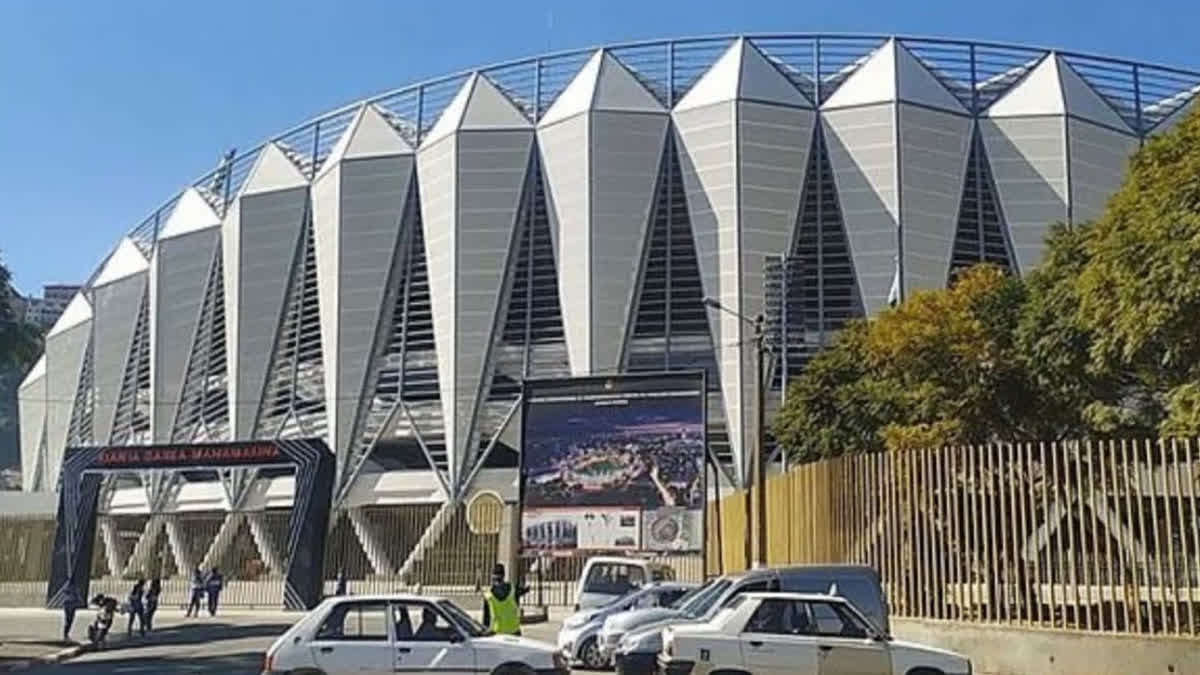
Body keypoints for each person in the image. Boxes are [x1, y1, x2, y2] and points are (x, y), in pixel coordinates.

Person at [481, 563, 526, 636]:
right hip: (514, 631)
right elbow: (522, 590)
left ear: (492, 576)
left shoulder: (488, 595)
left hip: (497, 632)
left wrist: (485, 633)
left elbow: (486, 620)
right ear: (504, 576)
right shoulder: (513, 589)